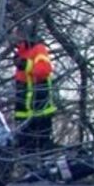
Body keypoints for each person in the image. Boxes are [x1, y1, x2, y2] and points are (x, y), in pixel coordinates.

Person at [11, 25, 57, 154]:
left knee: (42, 149)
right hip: (24, 110)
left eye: (18, 35)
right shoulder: (22, 52)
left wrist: (26, 65)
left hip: (40, 108)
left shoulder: (39, 49)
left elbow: (43, 70)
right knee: (25, 149)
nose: (15, 39)